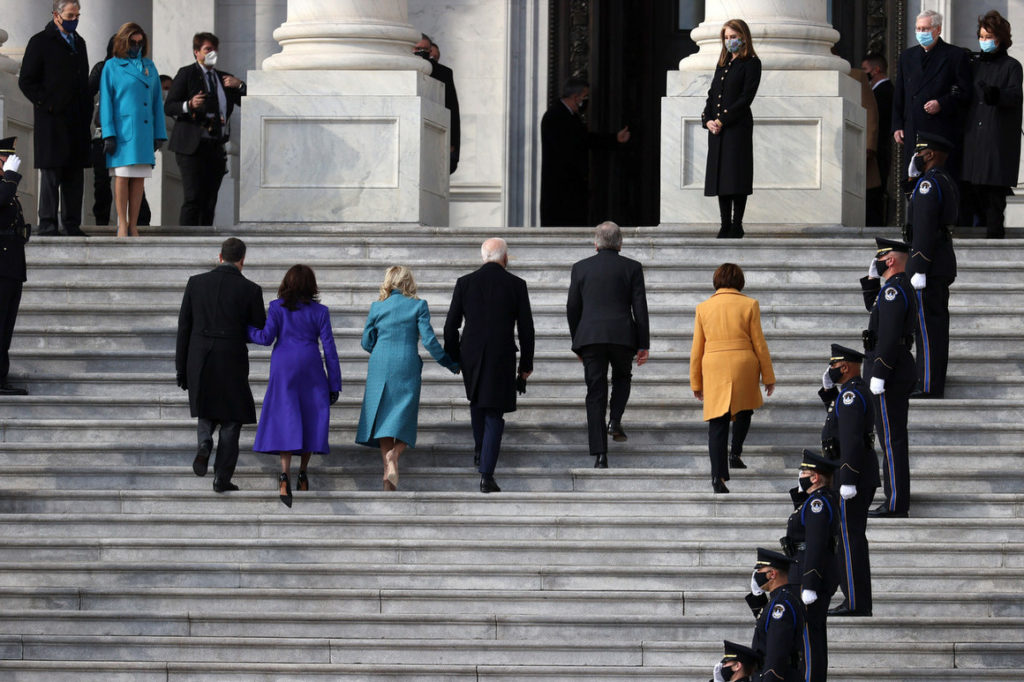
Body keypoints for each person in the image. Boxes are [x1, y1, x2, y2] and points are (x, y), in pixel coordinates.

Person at [357, 266, 459, 491]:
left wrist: (381, 347)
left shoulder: (377, 306)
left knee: (383, 419)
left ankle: (387, 478)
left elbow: (366, 342)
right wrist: (450, 363)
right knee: (406, 414)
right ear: (408, 282)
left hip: (379, 364)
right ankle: (394, 455)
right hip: (406, 363)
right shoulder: (418, 305)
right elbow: (429, 341)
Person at [175, 238, 266, 493]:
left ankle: (204, 442)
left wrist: (181, 368)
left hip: (199, 356)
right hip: (232, 357)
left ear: (219, 256)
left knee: (206, 409)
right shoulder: (251, 289)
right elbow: (258, 327)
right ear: (242, 260)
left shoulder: (195, 283)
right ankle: (221, 478)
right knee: (232, 419)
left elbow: (184, 327)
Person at [444, 238, 534, 493]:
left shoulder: (465, 283)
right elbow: (526, 329)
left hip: (470, 354)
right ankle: (486, 474)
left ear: (483, 257)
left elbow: (450, 326)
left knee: (477, 402)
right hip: (501, 355)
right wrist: (526, 365)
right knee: (494, 412)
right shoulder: (517, 284)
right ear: (504, 258)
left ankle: (479, 450)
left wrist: (454, 357)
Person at [247, 265, 341, 508]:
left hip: (284, 365)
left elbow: (266, 338)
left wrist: (245, 328)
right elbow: (329, 349)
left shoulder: (277, 307)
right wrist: (334, 383)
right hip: (310, 364)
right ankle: (303, 472)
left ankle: (284, 475)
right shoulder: (321, 311)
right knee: (311, 416)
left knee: (286, 417)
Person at [566, 221, 650, 468]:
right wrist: (643, 343)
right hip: (622, 336)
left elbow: (572, 307)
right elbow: (640, 308)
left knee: (595, 392)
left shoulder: (580, 268)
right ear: (620, 243)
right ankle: (614, 419)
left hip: (591, 337)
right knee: (623, 378)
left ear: (596, 243)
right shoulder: (632, 267)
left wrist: (577, 341)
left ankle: (600, 454)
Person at [690, 263, 775, 493]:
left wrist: (695, 381)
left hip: (714, 365)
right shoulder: (750, 304)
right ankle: (735, 453)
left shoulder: (703, 307)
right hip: (743, 363)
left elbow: (697, 348)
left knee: (717, 422)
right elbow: (759, 343)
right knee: (744, 409)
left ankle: (718, 477)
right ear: (740, 281)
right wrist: (768, 376)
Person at [17, 0, 91, 237]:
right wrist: (48, 104)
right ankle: (48, 223)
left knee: (74, 174)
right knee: (51, 173)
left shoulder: (80, 43)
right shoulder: (40, 42)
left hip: (76, 121)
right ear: (56, 15)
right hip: (52, 121)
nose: (74, 20)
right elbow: (26, 80)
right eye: (70, 16)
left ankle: (71, 224)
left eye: (77, 15)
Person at [819, 344, 878, 618]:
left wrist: (849, 477)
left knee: (849, 539)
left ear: (844, 366)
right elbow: (837, 420)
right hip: (852, 472)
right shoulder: (849, 393)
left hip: (852, 474)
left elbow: (852, 439)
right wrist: (828, 391)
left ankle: (855, 602)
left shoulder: (852, 395)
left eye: (833, 366)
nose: (830, 370)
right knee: (849, 538)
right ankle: (855, 599)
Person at [860, 238, 917, 518]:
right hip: (895, 367)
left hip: (890, 370)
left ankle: (896, 503)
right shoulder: (893, 288)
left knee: (892, 440)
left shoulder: (894, 290)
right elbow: (873, 308)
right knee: (890, 438)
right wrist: (872, 279)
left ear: (890, 260)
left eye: (880, 259)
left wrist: (880, 371)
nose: (877, 263)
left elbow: (890, 334)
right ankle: (896, 498)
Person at [164, 32, 246, 226]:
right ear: (197, 52)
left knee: (210, 201)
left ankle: (205, 237)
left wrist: (240, 85)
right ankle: (187, 240)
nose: (212, 53)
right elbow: (169, 106)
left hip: (215, 145)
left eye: (215, 49)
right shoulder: (187, 73)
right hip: (191, 146)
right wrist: (189, 105)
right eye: (208, 49)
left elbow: (249, 101)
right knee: (193, 197)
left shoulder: (224, 78)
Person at [99, 23, 167, 238]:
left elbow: (157, 102)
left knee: (139, 178)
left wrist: (159, 133)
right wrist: (108, 133)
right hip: (123, 131)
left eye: (140, 43)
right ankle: (122, 223)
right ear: (123, 42)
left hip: (144, 130)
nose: (136, 46)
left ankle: (133, 224)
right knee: (122, 176)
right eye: (132, 42)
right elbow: (106, 102)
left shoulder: (149, 66)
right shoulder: (111, 66)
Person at [905, 133, 958, 399]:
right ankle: (932, 380)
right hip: (941, 261)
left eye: (920, 153)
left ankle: (927, 384)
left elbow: (924, 228)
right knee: (934, 327)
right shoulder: (942, 179)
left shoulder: (929, 184)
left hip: (930, 262)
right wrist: (911, 180)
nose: (916, 156)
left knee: (926, 328)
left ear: (930, 154)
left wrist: (919, 266)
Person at [961, 10, 1023, 238]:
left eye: (989, 37)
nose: (984, 41)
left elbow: (1014, 96)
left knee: (993, 197)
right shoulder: (974, 65)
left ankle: (993, 240)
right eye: (982, 36)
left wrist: (996, 95)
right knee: (970, 192)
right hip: (972, 139)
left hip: (996, 140)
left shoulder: (1011, 66)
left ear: (1000, 39)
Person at [892, 9, 970, 181]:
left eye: (926, 29)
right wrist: (897, 124)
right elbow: (900, 93)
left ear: (938, 29)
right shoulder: (907, 56)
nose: (921, 33)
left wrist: (942, 103)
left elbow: (964, 92)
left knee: (937, 181)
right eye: (918, 29)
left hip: (940, 131)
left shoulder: (955, 55)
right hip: (913, 129)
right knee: (913, 180)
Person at [540, 78, 630, 226]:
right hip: (561, 190)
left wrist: (615, 138)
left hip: (571, 188)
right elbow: (577, 143)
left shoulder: (570, 116)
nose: (585, 101)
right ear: (576, 97)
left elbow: (586, 139)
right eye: (584, 97)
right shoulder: (555, 116)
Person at [783, 450, 840, 682]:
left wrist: (810, 582)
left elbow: (815, 544)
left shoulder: (818, 503)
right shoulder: (815, 500)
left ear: (815, 477)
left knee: (809, 639)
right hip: (803, 570)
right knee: (810, 637)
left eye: (804, 473)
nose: (800, 476)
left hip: (808, 574)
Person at [702, 18, 761, 239]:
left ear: (743, 37)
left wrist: (722, 120)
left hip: (737, 128)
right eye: (726, 37)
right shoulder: (723, 64)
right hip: (717, 130)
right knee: (721, 177)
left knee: (736, 176)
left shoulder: (752, 63)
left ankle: (737, 224)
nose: (730, 41)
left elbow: (746, 98)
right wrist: (708, 119)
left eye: (733, 37)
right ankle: (724, 224)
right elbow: (712, 95)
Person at [0, 137, 31, 396]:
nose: (9, 164)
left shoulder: (7, 187)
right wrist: (10, 177)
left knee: (6, 326)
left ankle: (2, 377)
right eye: (4, 160)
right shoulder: (5, 186)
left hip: (11, 266)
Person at [747, 548, 806, 682]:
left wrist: (770, 678)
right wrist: (757, 595)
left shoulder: (781, 604)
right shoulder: (779, 599)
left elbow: (777, 649)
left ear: (772, 574)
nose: (757, 575)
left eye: (760, 571)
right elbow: (764, 621)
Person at [414, 34, 460, 174]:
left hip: (433, 136)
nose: (422, 53)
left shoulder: (443, 73)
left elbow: (452, 109)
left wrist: (452, 144)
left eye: (426, 50)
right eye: (418, 49)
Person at [862, 53, 894, 225]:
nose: (864, 73)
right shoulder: (877, 91)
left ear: (876, 70)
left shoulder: (884, 91)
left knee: (875, 191)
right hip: (876, 149)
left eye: (865, 69)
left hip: (878, 149)